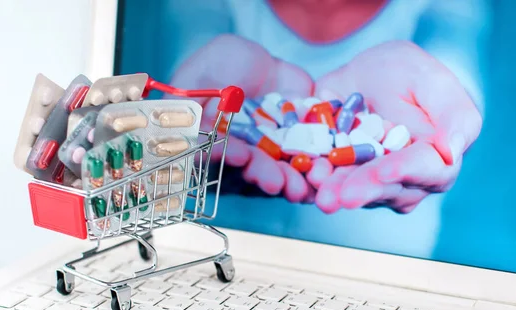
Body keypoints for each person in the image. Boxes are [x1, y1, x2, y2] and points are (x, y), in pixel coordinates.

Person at [145, 0, 490, 257]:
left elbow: (453, 55)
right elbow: (196, 39)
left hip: (383, 260)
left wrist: (444, 113)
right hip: (224, 256)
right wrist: (194, 100)